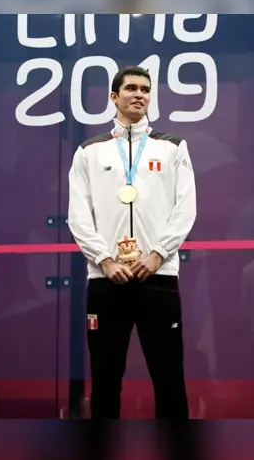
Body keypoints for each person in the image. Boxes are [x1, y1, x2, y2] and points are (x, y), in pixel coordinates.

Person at [67, 65, 198, 419]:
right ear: (114, 97)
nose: (139, 94)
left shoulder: (172, 147)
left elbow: (186, 209)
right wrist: (105, 260)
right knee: (106, 380)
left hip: (159, 276)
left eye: (145, 89)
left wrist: (157, 255)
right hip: (106, 281)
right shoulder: (88, 151)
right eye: (131, 89)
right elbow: (78, 216)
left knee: (169, 378)